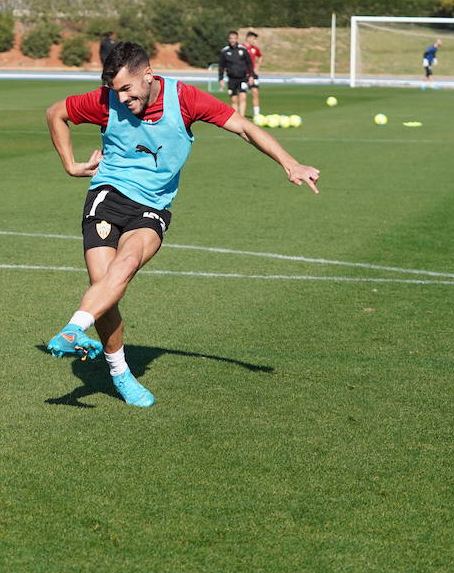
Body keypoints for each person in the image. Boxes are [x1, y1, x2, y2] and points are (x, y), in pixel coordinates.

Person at [44, 41, 321, 407]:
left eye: (128, 89)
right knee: (103, 289)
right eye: (116, 91)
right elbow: (55, 113)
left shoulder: (186, 99)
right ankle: (120, 373)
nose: (122, 98)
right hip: (108, 194)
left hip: (153, 206)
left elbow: (244, 127)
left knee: (123, 269)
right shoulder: (103, 100)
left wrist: (290, 162)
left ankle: (71, 330)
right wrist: (70, 164)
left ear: (149, 75)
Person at [216, 30, 254, 118]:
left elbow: (249, 63)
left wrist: (251, 76)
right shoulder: (224, 51)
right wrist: (221, 79)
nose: (232, 40)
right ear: (228, 39)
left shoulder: (243, 50)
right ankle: (237, 118)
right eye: (231, 38)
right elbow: (221, 66)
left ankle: (242, 117)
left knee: (243, 97)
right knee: (234, 100)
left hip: (243, 78)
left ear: (237, 39)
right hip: (231, 79)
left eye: (234, 38)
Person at [244, 30, 263, 116]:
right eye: (253, 39)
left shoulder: (255, 49)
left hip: (253, 74)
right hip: (243, 75)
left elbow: (260, 56)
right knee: (242, 95)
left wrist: (257, 67)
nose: (254, 41)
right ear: (248, 38)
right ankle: (240, 114)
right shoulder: (241, 48)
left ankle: (256, 114)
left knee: (255, 93)